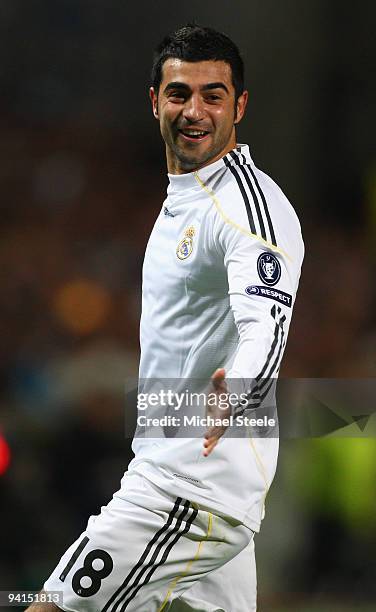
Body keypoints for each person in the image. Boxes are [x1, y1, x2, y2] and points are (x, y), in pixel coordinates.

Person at [28, 24, 304, 612]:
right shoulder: (186, 194)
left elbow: (266, 322)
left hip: (186, 491)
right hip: (192, 477)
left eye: (213, 94)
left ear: (241, 106)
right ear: (155, 101)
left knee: (49, 605)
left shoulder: (244, 208)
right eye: (180, 93)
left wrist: (243, 384)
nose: (194, 110)